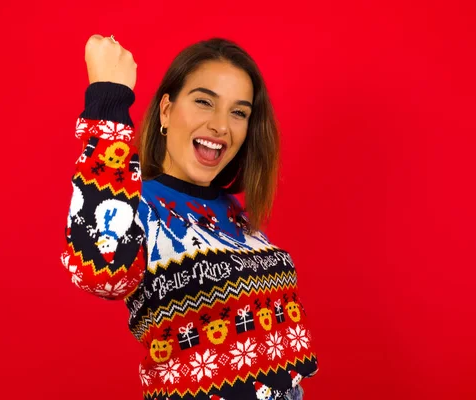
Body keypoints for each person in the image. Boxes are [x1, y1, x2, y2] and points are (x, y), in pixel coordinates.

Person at [61, 33, 319, 400]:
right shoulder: (134, 204)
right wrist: (109, 99)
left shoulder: (235, 215)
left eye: (238, 112)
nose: (220, 126)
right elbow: (100, 271)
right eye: (204, 102)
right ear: (166, 110)